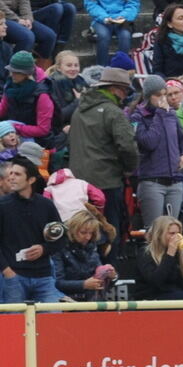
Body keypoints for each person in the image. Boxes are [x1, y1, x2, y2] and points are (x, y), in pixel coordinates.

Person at [67, 67, 138, 262]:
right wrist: (129, 168)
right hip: (107, 182)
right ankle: (107, 277)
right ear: (115, 89)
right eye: (124, 90)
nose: (125, 95)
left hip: (79, 184)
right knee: (109, 231)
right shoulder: (113, 112)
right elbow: (127, 147)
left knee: (83, 231)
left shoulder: (78, 111)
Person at [0, 156, 66, 304]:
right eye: (10, 173)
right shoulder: (2, 206)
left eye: (17, 174)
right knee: (14, 325)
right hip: (13, 277)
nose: (11, 178)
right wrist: (7, 272)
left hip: (44, 277)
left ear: (31, 180)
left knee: (53, 321)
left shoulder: (46, 205)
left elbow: (61, 238)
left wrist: (43, 248)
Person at [130, 75, 183, 228]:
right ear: (148, 96)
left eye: (165, 94)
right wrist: (159, 114)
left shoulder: (171, 114)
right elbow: (149, 142)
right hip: (152, 181)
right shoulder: (137, 116)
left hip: (175, 179)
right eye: (158, 95)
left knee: (173, 228)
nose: (163, 98)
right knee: (155, 230)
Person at [134, 216, 183, 300]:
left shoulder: (178, 253)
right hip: (152, 296)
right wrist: (169, 254)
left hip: (172, 294)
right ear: (159, 234)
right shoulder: (145, 253)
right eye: (172, 233)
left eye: (178, 233)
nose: (177, 237)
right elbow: (156, 281)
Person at [52, 209, 115, 301]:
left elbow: (101, 281)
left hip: (92, 300)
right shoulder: (59, 249)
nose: (88, 237)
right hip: (66, 300)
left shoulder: (92, 248)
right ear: (73, 230)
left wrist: (112, 276)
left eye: (91, 233)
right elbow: (56, 283)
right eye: (83, 232)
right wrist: (84, 284)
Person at [0, 51, 58, 149]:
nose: (12, 74)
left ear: (27, 74)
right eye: (11, 70)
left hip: (38, 145)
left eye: (17, 72)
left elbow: (43, 129)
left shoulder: (42, 95)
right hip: (14, 140)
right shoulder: (10, 85)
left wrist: (14, 127)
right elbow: (2, 109)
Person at [83, 0, 137, 66]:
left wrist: (124, 16)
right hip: (100, 20)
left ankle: (122, 69)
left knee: (125, 36)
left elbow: (133, 4)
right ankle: (102, 68)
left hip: (122, 20)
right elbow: (91, 4)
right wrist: (104, 17)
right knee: (103, 36)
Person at [44, 50, 88, 130]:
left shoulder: (80, 81)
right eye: (69, 65)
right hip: (60, 129)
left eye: (76, 65)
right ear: (58, 68)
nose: (73, 68)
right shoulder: (51, 85)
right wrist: (78, 101)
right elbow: (57, 117)